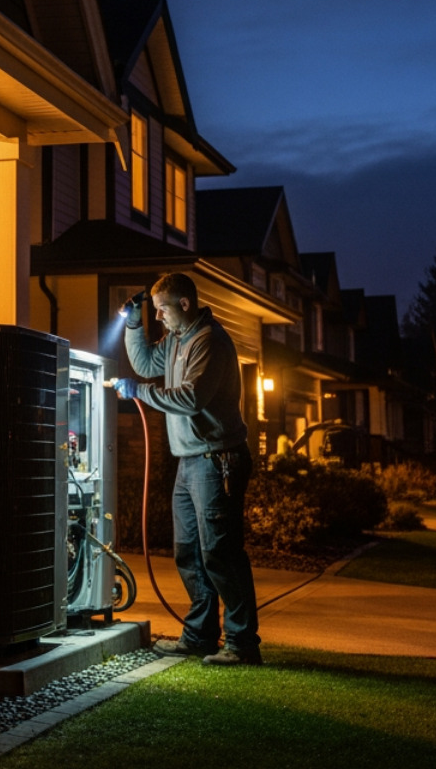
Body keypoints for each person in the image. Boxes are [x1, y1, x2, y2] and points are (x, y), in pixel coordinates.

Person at [112, 272, 261, 666]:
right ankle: (200, 636)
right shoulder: (177, 339)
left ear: (184, 304)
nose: (158, 317)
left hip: (218, 458)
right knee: (188, 552)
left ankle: (243, 644)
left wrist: (138, 391)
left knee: (220, 553)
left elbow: (192, 397)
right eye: (154, 309)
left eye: (162, 310)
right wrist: (133, 322)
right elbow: (145, 363)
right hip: (191, 459)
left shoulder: (209, 340)